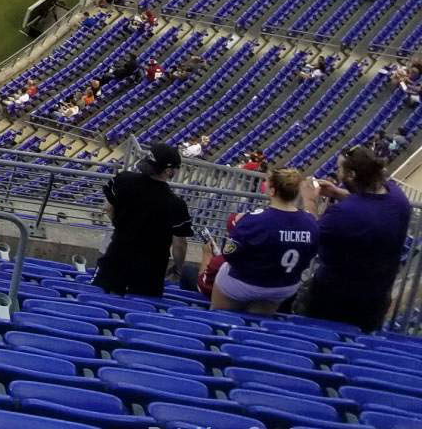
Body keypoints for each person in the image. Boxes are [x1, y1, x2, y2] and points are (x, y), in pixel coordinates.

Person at [300, 147, 412, 330]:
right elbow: (370, 203)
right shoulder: (396, 196)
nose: (338, 173)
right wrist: (338, 193)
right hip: (376, 297)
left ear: (351, 175)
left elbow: (310, 234)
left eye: (339, 169)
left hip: (334, 298)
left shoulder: (344, 213)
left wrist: (310, 201)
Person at [94, 141, 194, 298]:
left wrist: (122, 226)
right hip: (149, 273)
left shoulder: (123, 180)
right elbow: (179, 244)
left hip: (115, 258)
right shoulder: (176, 204)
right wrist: (178, 268)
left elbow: (108, 208)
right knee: (140, 310)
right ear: (168, 171)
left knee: (99, 300)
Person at [210, 167, 316, 313]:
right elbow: (310, 254)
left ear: (272, 191)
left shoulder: (254, 220)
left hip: (245, 283)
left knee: (220, 312)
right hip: (283, 286)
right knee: (259, 321)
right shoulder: (311, 222)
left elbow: (229, 255)